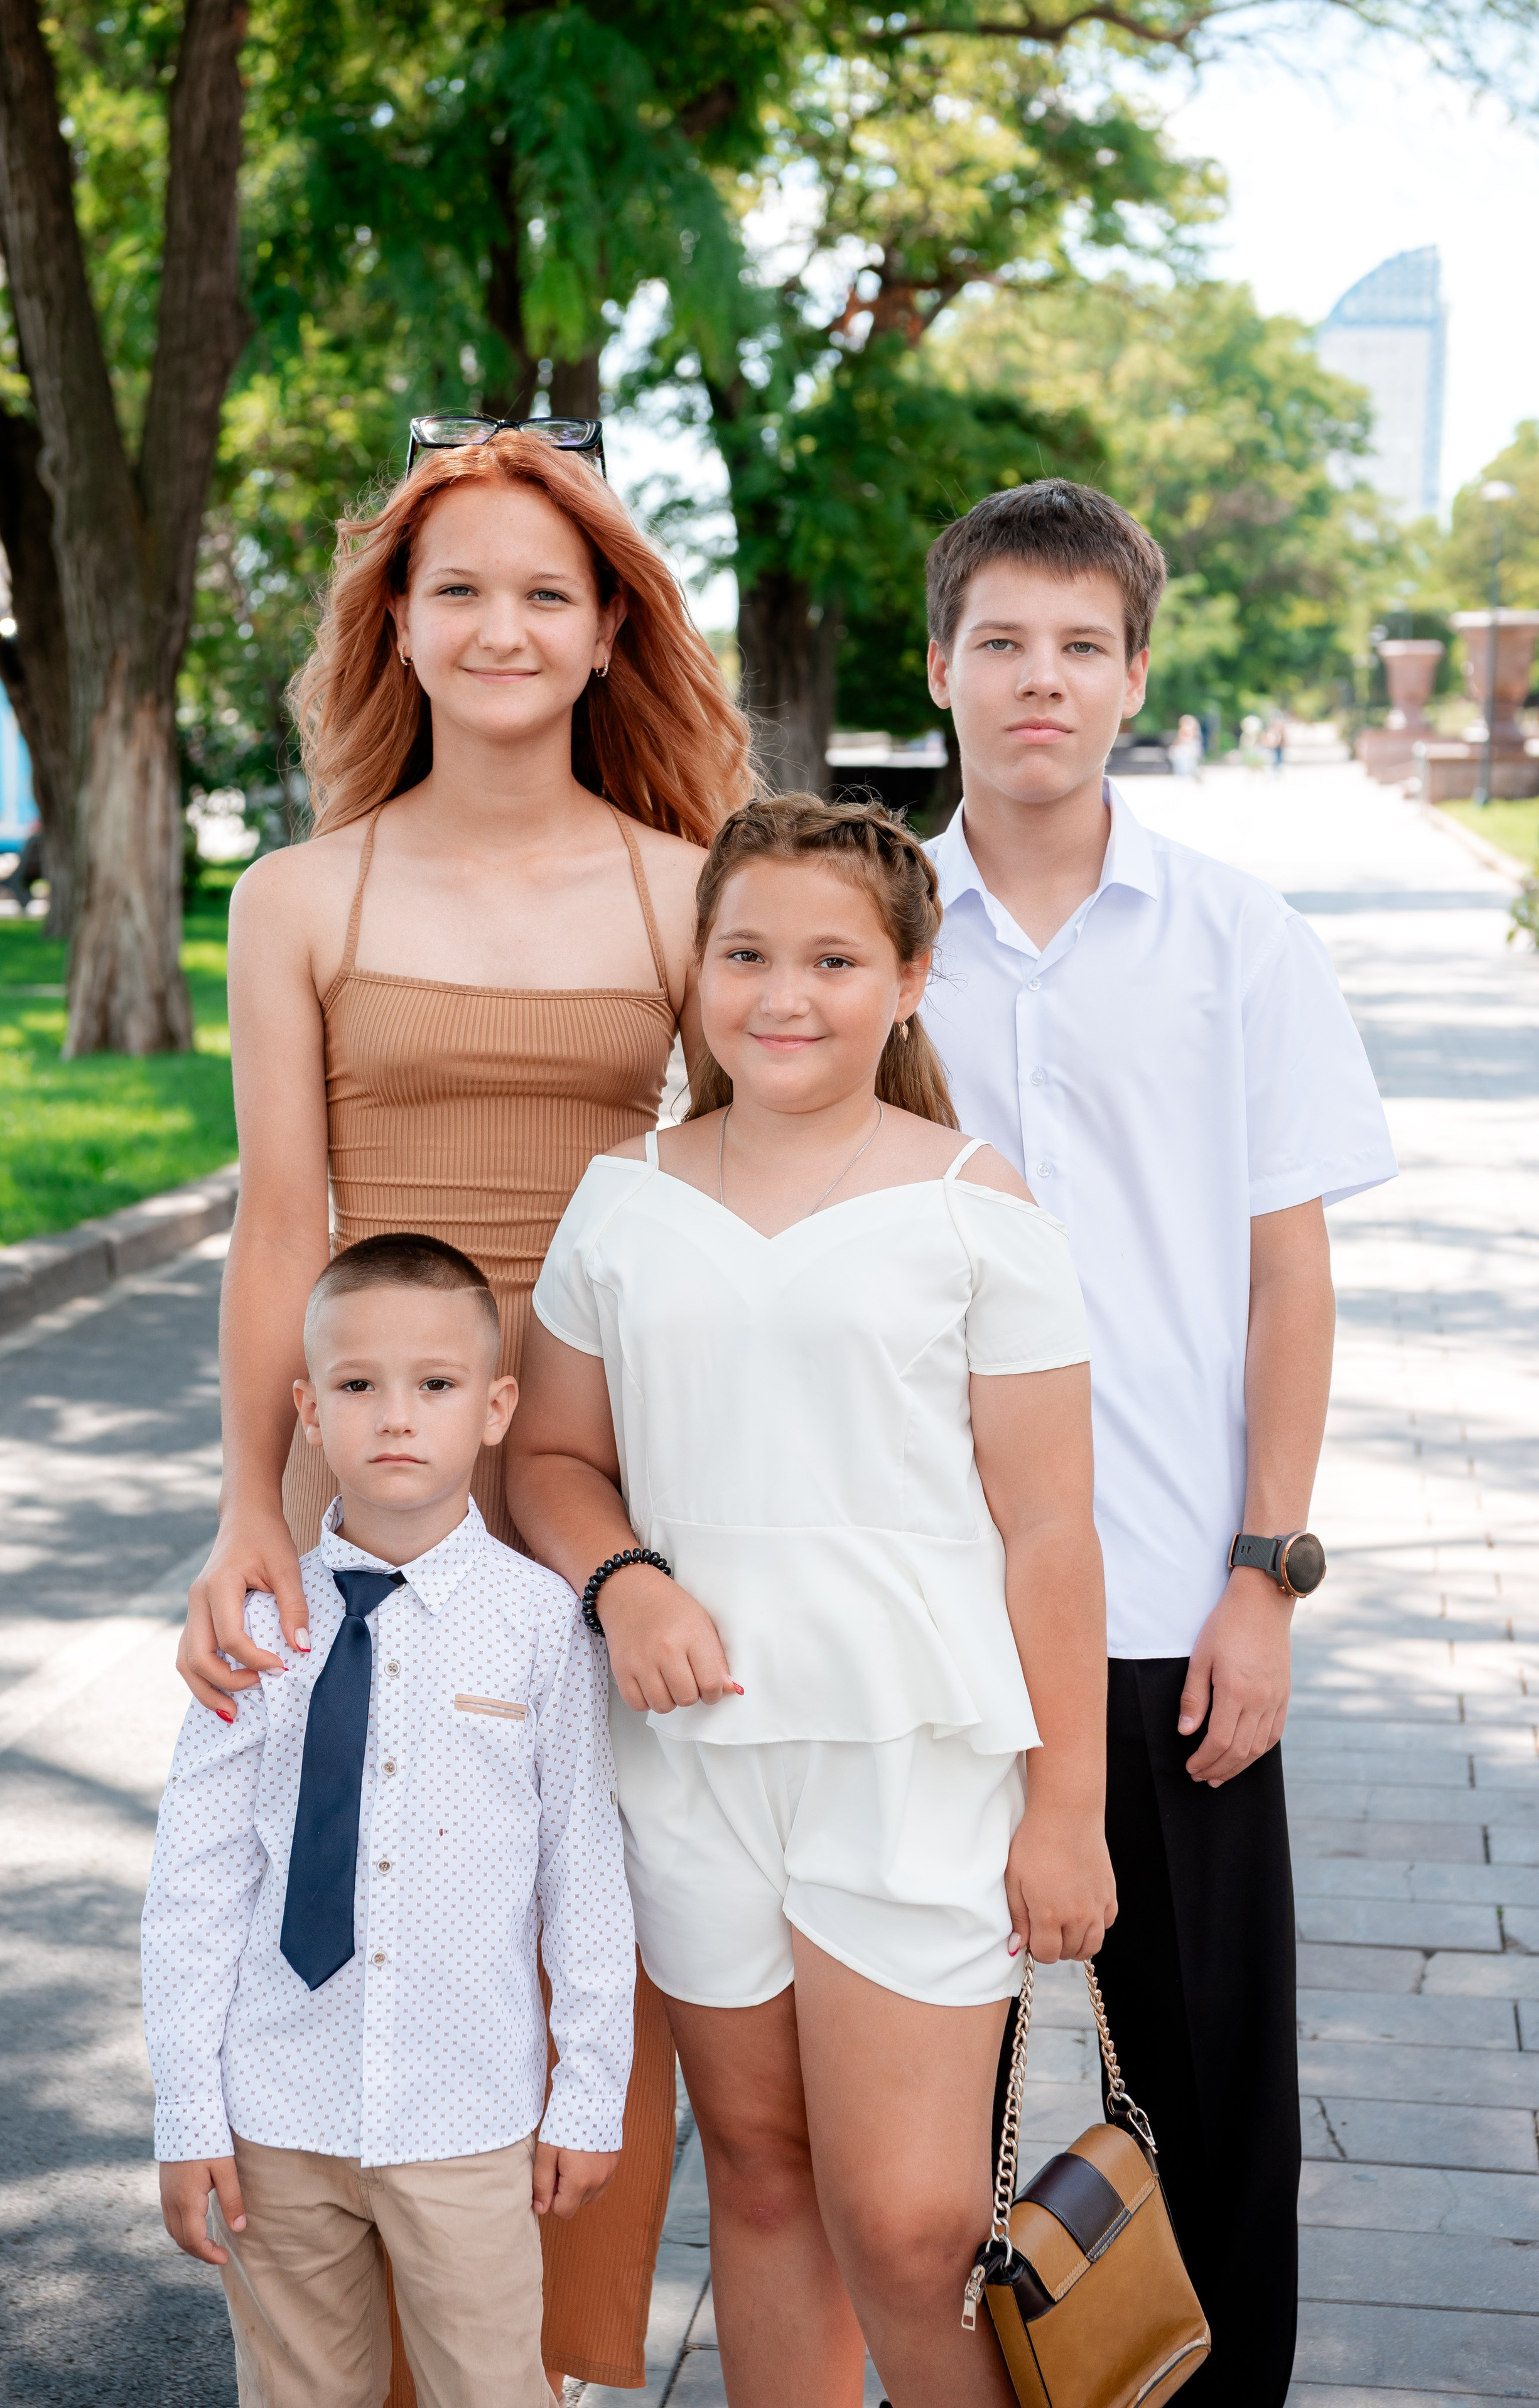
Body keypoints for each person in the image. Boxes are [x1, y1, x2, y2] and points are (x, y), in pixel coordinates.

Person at [172, 428, 751, 2394]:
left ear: (609, 635)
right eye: (458, 591)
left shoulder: (688, 892)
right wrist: (252, 1501)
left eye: (545, 593)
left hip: (604, 1470)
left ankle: (551, 2358)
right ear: (399, 631)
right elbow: (274, 1231)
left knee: (583, 1915)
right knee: (345, 1898)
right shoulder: (296, 899)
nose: (500, 626)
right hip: (383, 1464)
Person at [505, 794, 1116, 2408]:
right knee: (762, 2181)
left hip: (909, 1757)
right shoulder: (621, 1196)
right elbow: (553, 1454)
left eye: (833, 957)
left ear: (909, 979)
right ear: (696, 972)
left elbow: (1052, 1526)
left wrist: (1069, 1806)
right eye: (746, 953)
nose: (785, 992)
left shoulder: (973, 1205)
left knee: (911, 2224)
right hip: (692, 1758)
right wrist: (623, 1577)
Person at [918, 479, 1396, 2405]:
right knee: (931, 2135)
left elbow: (1290, 1281)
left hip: (1167, 1615)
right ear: (939, 664)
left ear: (1133, 676)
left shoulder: (1236, 937)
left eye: (1081, 647)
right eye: (1005, 642)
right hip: (923, 1622)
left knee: (1201, 2106)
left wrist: (1263, 1575)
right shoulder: (861, 937)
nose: (1042, 679)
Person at [144, 1234, 635, 2408]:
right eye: (359, 1387)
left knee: (493, 2389)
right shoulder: (262, 1625)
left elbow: (584, 1867)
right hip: (275, 2113)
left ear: (497, 1405)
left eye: (436, 1385)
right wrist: (185, 2107)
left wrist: (591, 2089)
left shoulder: (540, 1626)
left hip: (464, 2115)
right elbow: (197, 1878)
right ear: (309, 1412)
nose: (397, 1417)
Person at [1167, 711, 1203, 782]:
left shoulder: (1188, 729)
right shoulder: (1189, 729)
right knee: (1187, 765)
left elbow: (1185, 739)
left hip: (1186, 749)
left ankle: (1189, 777)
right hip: (1186, 749)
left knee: (1186, 766)